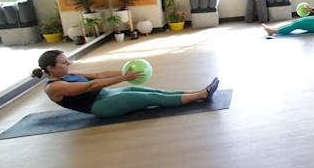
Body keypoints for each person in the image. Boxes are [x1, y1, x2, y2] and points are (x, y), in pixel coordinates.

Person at [32, 50, 219, 118]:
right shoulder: (54, 87)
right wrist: (123, 78)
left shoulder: (68, 75)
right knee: (150, 97)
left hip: (105, 96)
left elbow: (99, 74)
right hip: (100, 106)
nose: (69, 64)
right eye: (64, 62)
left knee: (154, 90)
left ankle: (198, 92)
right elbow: (91, 86)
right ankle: (202, 95)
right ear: (51, 68)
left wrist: (126, 72)